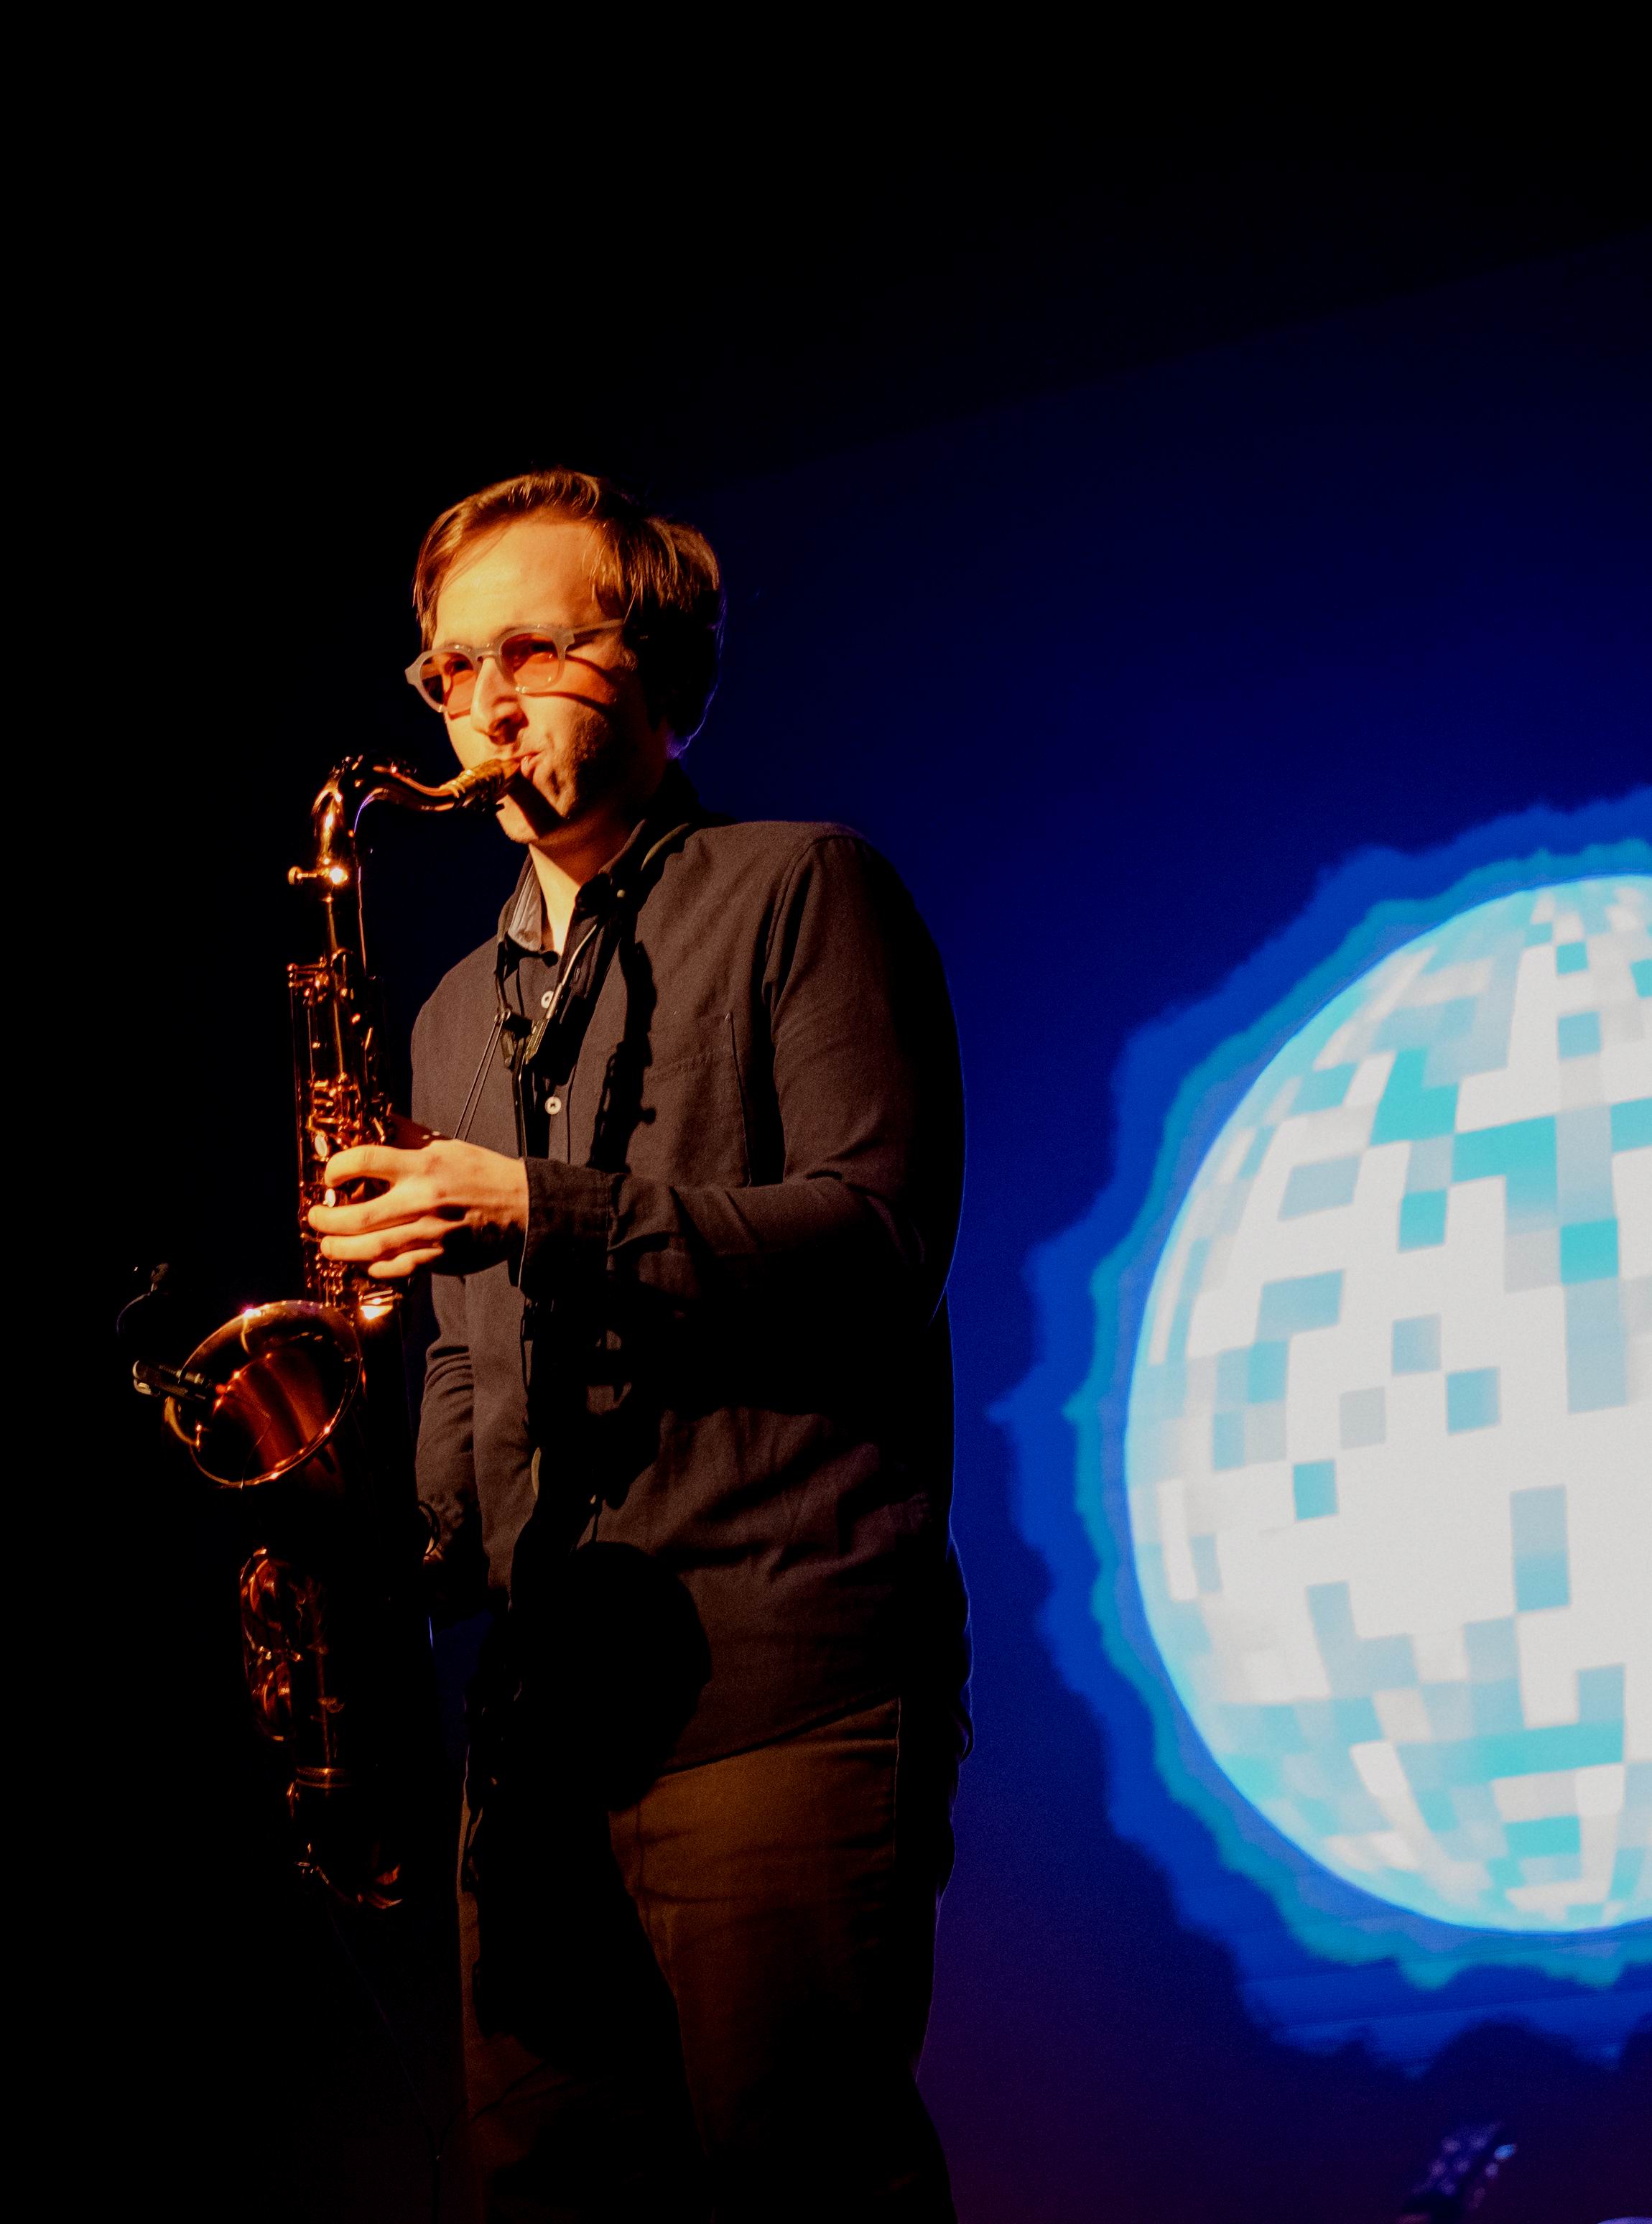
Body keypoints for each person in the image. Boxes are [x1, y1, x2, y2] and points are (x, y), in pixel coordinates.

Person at [310, 468, 970, 2222]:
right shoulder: (450, 1013)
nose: (485, 703)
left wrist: (538, 1206)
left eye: (533, 651)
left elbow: (876, 1244)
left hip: (776, 1689)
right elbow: (469, 1366)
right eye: (451, 670)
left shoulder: (804, 888)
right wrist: (387, 1560)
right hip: (539, 1734)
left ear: (662, 672)